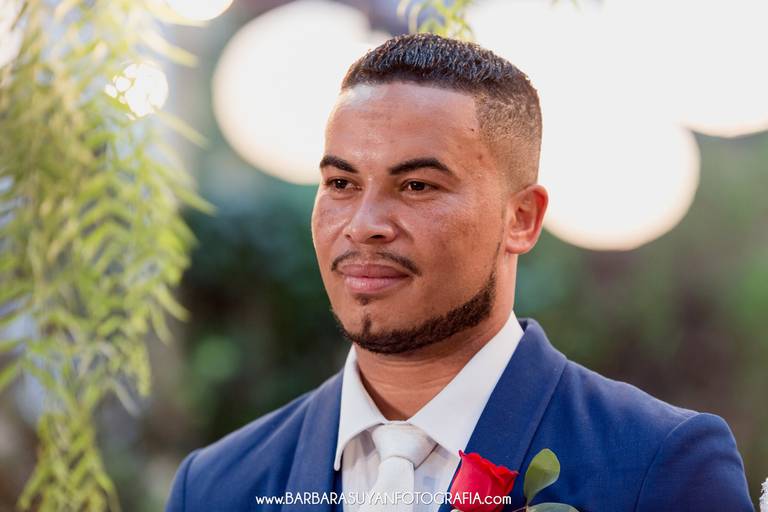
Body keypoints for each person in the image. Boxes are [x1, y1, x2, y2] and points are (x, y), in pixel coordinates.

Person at [165, 33, 753, 511]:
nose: (364, 225)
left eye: (417, 186)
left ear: (521, 219)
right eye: (341, 183)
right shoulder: (216, 486)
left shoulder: (661, 465)